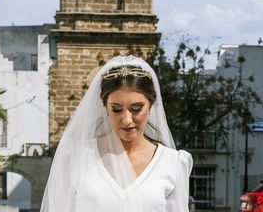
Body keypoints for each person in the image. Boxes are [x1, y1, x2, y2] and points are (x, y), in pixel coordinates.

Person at [40, 55, 193, 212]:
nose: (126, 120)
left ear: (151, 106)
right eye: (117, 109)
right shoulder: (76, 156)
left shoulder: (173, 163)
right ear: (106, 107)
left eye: (136, 108)